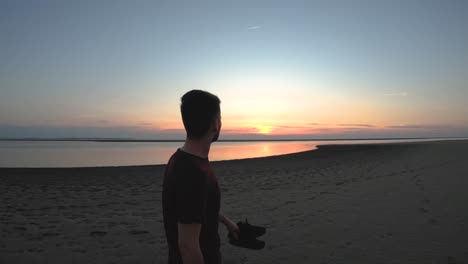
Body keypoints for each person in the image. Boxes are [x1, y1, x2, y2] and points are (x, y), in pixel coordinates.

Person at [162, 90, 240, 264]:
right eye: (220, 117)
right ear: (214, 123)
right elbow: (188, 246)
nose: (221, 122)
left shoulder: (181, 159)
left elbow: (193, 207)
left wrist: (226, 221)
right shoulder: (192, 172)